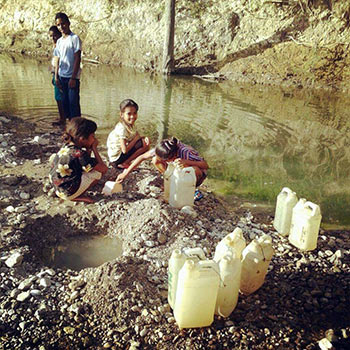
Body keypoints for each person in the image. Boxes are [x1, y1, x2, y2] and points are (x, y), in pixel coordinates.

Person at [116, 137, 209, 200]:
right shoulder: (162, 148)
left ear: (174, 156)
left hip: (196, 174)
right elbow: (142, 157)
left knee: (194, 170)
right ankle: (171, 180)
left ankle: (192, 190)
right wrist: (125, 173)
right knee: (155, 160)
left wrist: (187, 162)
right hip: (178, 169)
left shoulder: (186, 152)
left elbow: (205, 165)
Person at [49, 117, 108, 203]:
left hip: (57, 188)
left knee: (88, 168)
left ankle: (73, 193)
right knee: (97, 173)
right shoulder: (80, 153)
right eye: (92, 136)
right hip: (67, 193)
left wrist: (88, 149)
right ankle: (76, 196)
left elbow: (85, 163)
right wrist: (94, 149)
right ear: (82, 139)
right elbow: (103, 168)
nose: (94, 139)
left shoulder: (66, 146)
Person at [107, 98, 150, 169]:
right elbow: (124, 150)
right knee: (144, 145)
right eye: (129, 114)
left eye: (135, 113)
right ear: (121, 114)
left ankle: (125, 162)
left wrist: (144, 137)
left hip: (118, 156)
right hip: (116, 159)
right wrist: (136, 139)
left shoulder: (130, 125)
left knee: (145, 142)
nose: (132, 116)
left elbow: (136, 136)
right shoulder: (122, 128)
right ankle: (125, 163)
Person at [54, 12, 82, 120]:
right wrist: (56, 77)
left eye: (63, 24)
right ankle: (69, 129)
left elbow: (77, 58)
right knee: (65, 105)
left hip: (72, 77)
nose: (61, 27)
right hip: (62, 77)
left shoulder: (74, 38)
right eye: (58, 25)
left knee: (73, 105)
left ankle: (78, 130)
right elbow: (57, 59)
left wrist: (73, 77)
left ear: (68, 23)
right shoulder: (59, 41)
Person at [48, 25, 65, 125]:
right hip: (55, 74)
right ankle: (62, 118)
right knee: (58, 98)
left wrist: (56, 76)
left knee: (60, 98)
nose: (53, 38)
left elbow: (59, 61)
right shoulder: (55, 46)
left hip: (60, 74)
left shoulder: (60, 45)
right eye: (51, 36)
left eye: (55, 35)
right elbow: (54, 61)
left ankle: (63, 119)